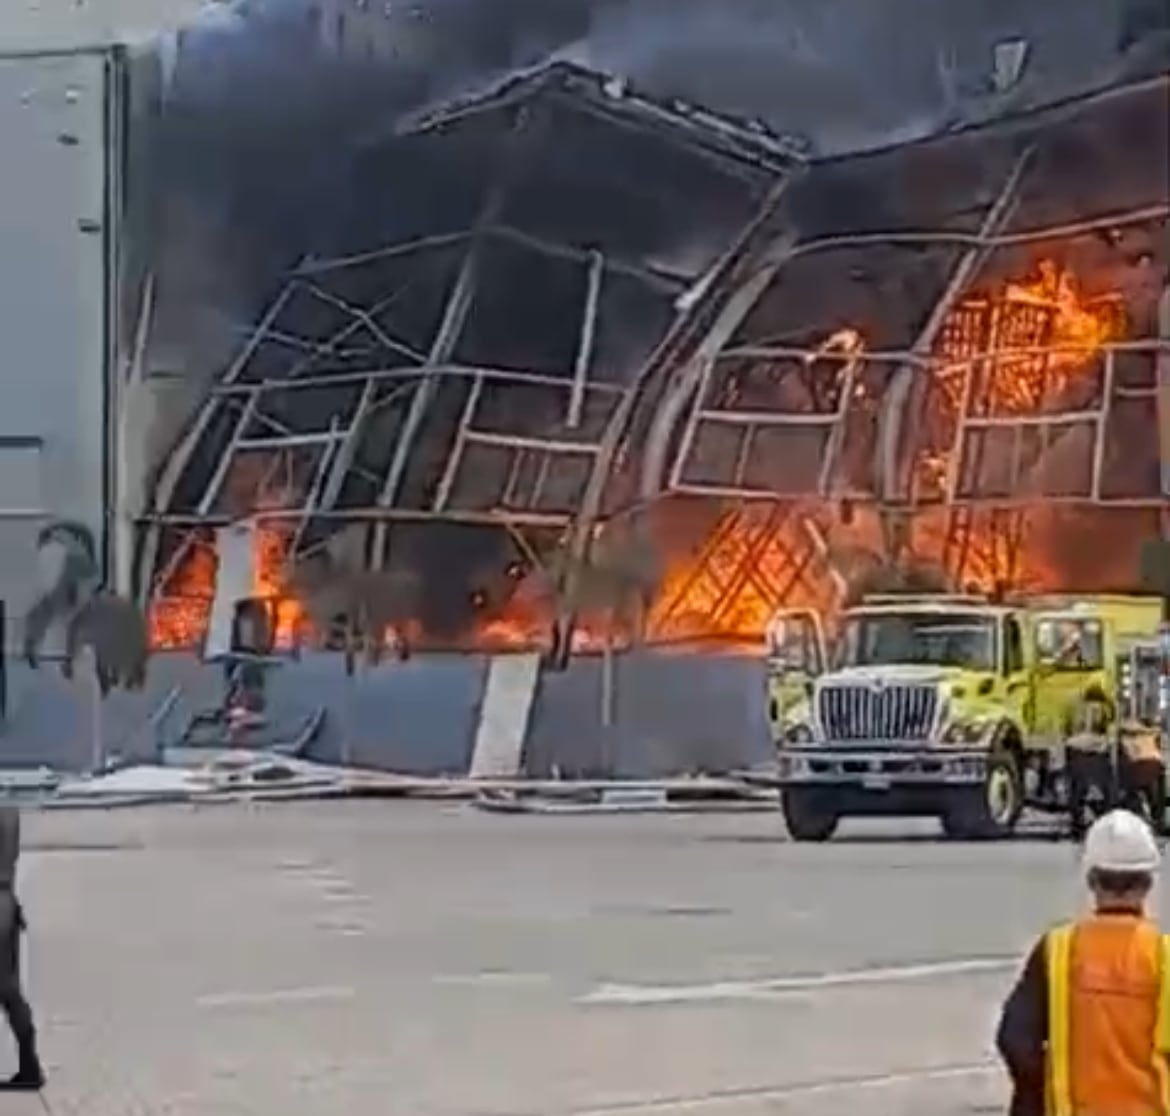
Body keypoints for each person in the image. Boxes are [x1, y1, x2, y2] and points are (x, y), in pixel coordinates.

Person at [996, 808, 1168, 1116]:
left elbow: (1016, 1039)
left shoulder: (1057, 949)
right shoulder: (1163, 956)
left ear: (1091, 880)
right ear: (1147, 884)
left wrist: (1037, 1096)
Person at [0, 804, 44, 1091]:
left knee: (8, 989)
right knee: (10, 989)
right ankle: (30, 1065)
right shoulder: (9, 815)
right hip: (6, 904)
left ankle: (30, 1067)